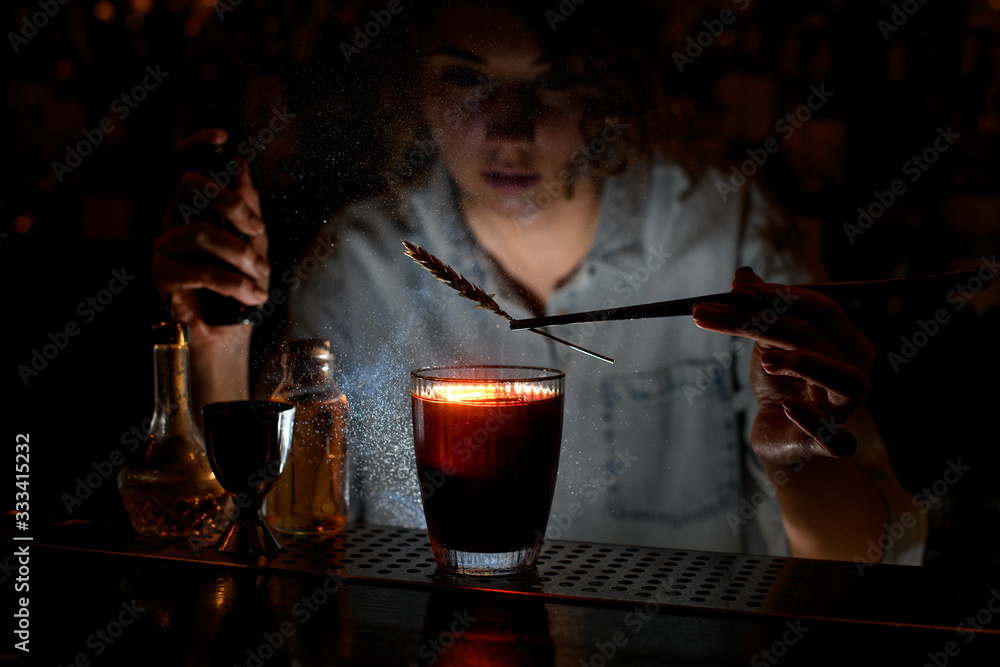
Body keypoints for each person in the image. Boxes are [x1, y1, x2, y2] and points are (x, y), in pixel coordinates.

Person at [152, 0, 924, 563]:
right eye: (466, 79)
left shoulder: (725, 238)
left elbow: (872, 567)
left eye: (549, 83)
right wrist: (219, 343)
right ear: (416, 87)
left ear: (608, 92)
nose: (508, 127)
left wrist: (802, 463)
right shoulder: (358, 272)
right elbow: (271, 540)